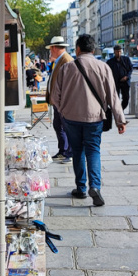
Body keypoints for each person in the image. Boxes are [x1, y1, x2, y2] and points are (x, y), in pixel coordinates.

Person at [50, 34, 127, 207]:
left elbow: (55, 97)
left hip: (71, 118)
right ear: (93, 50)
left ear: (77, 49)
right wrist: (120, 120)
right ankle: (95, 186)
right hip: (95, 117)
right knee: (93, 150)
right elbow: (113, 96)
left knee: (77, 151)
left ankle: (81, 187)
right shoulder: (103, 67)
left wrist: (63, 112)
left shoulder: (66, 68)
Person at [45, 36, 74, 164]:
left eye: (51, 48)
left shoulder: (66, 60)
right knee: (58, 125)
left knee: (64, 127)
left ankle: (68, 151)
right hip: (58, 101)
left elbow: (68, 82)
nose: (50, 51)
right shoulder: (59, 59)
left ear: (54, 48)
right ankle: (63, 150)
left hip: (63, 102)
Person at [106, 45, 133, 112]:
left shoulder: (126, 60)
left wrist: (127, 76)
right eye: (117, 51)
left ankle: (121, 109)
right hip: (116, 82)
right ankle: (118, 112)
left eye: (120, 51)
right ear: (114, 52)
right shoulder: (110, 62)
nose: (119, 53)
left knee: (126, 98)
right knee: (116, 98)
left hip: (125, 82)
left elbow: (130, 69)